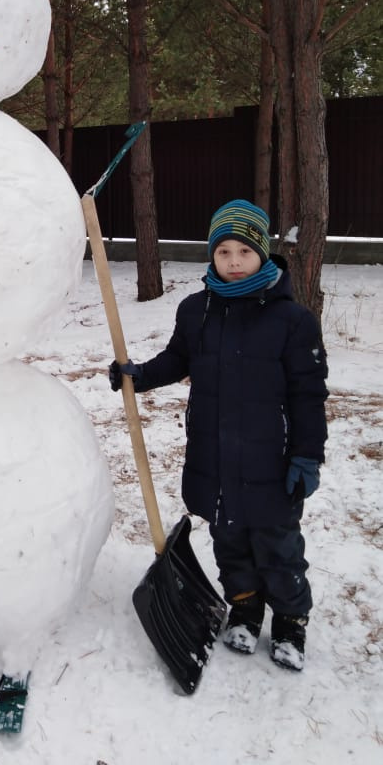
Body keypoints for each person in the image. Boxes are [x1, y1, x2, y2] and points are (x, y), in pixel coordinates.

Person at [109, 199, 328, 671]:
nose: (232, 262)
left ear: (263, 255)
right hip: (216, 456)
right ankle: (245, 610)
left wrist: (307, 456)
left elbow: (309, 396)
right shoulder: (196, 311)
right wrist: (139, 375)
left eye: (243, 252)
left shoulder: (293, 321)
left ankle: (291, 621)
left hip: (273, 462)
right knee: (229, 543)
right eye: (223, 251)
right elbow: (178, 359)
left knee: (278, 547)